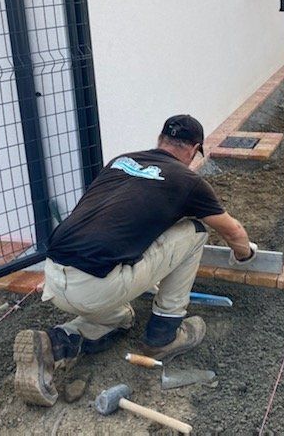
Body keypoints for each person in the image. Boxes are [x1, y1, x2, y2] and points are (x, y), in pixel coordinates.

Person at [13, 114, 257, 406]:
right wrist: (245, 256)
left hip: (53, 278)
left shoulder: (121, 161)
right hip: (98, 285)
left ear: (160, 140)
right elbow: (234, 232)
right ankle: (164, 334)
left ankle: (54, 344)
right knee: (195, 231)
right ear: (193, 150)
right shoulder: (187, 180)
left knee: (122, 317)